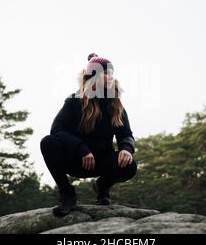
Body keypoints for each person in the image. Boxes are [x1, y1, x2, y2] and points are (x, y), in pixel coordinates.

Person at [40, 53, 137, 217]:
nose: (110, 77)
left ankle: (102, 187)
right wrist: (81, 148)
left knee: (130, 166)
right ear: (94, 77)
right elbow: (57, 130)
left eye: (112, 74)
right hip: (76, 159)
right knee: (47, 142)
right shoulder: (74, 101)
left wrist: (126, 148)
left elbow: (125, 133)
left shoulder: (115, 105)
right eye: (106, 73)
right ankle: (67, 194)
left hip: (102, 160)